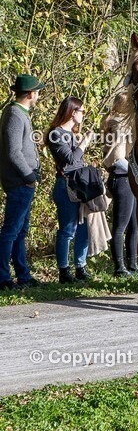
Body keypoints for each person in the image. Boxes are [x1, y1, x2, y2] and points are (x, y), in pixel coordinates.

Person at [0, 74, 44, 291]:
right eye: (37, 92)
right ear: (30, 94)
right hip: (19, 182)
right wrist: (28, 176)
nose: (38, 95)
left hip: (24, 181)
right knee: (11, 230)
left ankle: (23, 275)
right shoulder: (15, 114)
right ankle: (3, 278)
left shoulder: (21, 113)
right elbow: (13, 152)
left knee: (20, 231)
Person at [46, 97, 94, 283]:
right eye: (82, 111)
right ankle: (64, 271)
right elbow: (70, 160)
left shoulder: (71, 134)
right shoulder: (56, 134)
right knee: (67, 230)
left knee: (83, 228)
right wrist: (85, 143)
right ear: (73, 112)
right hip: (65, 186)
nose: (84, 114)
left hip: (79, 186)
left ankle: (80, 267)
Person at [102, 97, 138, 276]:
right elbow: (117, 158)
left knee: (133, 225)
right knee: (121, 226)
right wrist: (137, 172)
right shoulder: (118, 124)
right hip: (123, 177)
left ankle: (133, 265)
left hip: (124, 177)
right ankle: (120, 267)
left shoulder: (113, 122)